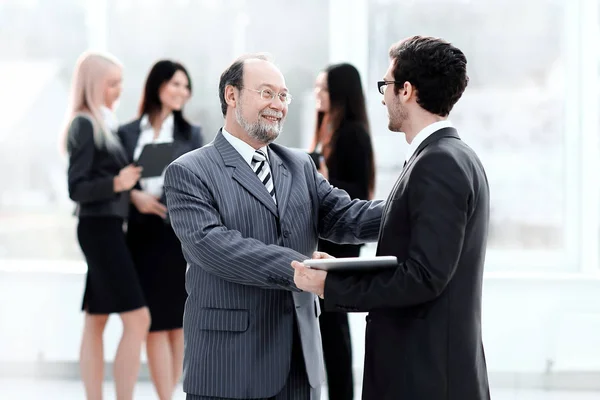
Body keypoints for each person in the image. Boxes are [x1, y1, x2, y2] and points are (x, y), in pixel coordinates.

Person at [162, 53, 385, 400]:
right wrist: (299, 269)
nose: (278, 105)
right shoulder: (189, 171)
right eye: (267, 93)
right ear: (231, 95)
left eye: (283, 96)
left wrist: (412, 203)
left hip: (300, 363)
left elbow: (346, 216)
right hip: (229, 368)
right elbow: (214, 246)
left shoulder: (300, 165)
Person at [292, 36, 491, 400]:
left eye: (385, 85)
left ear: (406, 91)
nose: (382, 96)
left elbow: (423, 277)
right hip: (430, 369)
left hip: (424, 376)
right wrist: (341, 270)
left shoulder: (438, 163)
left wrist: (330, 288)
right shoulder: (449, 155)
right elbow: (416, 256)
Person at [63, 51, 150, 400]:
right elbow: (76, 187)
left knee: (96, 319)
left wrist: (132, 192)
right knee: (138, 319)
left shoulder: (106, 122)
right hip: (99, 229)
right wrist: (118, 183)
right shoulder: (85, 124)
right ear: (94, 85)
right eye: (112, 83)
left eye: (120, 83)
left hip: (106, 226)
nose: (118, 90)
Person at [118, 60, 203, 400]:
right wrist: (134, 196)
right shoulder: (126, 132)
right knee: (153, 324)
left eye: (186, 86)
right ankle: (164, 397)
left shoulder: (190, 134)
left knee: (176, 324)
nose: (182, 92)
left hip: (173, 236)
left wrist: (165, 198)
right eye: (176, 84)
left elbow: (196, 180)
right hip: (140, 236)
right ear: (158, 85)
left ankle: (172, 394)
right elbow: (117, 180)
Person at [310, 62, 376, 400]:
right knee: (327, 325)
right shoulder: (326, 127)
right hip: (327, 238)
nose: (317, 94)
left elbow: (360, 195)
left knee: (333, 325)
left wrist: (322, 179)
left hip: (343, 242)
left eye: (324, 89)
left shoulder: (353, 133)